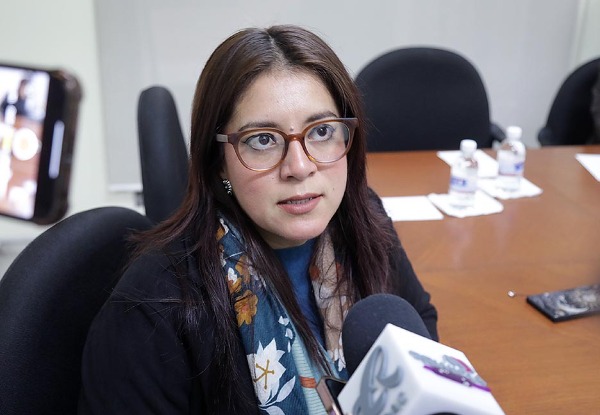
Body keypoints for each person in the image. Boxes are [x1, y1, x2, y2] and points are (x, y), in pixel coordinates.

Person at [79, 25, 438, 414]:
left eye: (321, 131)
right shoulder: (154, 307)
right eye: (263, 139)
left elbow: (419, 326)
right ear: (218, 163)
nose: (299, 167)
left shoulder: (363, 218)